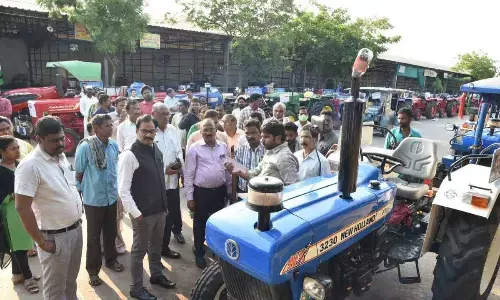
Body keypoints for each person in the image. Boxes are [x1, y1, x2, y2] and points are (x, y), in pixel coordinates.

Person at [15, 116, 84, 300]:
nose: (60, 143)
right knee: (55, 291)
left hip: (75, 231)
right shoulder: (30, 166)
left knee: (70, 282)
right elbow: (22, 208)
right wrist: (42, 242)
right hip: (54, 237)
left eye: (62, 138)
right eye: (54, 140)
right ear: (39, 139)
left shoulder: (59, 156)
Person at [118, 115, 176, 300]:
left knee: (156, 245)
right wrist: (137, 214)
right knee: (138, 251)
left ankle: (156, 275)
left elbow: (159, 176)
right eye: (144, 131)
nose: (148, 134)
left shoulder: (154, 148)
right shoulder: (129, 155)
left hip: (160, 209)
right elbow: (123, 190)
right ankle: (136, 288)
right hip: (143, 213)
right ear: (136, 131)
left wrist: (165, 205)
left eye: (151, 131)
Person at [75, 114, 124, 287]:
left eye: (111, 124)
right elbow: (78, 173)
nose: (111, 127)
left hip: (111, 197)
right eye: (107, 125)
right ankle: (93, 270)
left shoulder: (113, 145)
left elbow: (114, 169)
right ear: (96, 129)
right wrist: (80, 194)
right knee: (94, 237)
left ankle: (111, 260)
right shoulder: (86, 147)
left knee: (111, 232)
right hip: (93, 200)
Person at [185, 119, 232, 269]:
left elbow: (228, 170)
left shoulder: (223, 147)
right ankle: (199, 252)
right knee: (200, 223)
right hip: (201, 193)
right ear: (200, 132)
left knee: (218, 224)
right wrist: (190, 197)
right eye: (205, 130)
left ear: (216, 130)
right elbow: (189, 174)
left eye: (210, 129)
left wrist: (230, 191)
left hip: (219, 191)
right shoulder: (194, 148)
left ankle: (216, 252)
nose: (208, 132)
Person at [0, 136, 39, 294]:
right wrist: (11, 196)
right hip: (10, 211)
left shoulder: (19, 165)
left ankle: (18, 275)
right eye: (13, 149)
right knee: (18, 246)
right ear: (2, 152)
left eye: (18, 147)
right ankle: (28, 278)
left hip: (26, 208)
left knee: (26, 242)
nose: (18, 151)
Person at [151, 103, 185, 259]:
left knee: (171, 214)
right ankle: (155, 250)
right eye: (163, 114)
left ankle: (164, 247)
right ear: (154, 114)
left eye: (168, 114)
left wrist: (181, 169)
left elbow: (179, 151)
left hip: (173, 181)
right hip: (156, 185)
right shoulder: (150, 132)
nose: (166, 117)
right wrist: (164, 169)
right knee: (158, 218)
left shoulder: (173, 130)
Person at [227, 120, 299, 186]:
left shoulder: (284, 158)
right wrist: (237, 170)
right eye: (262, 137)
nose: (263, 140)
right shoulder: (270, 151)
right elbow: (255, 174)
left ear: (278, 138)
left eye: (266, 137)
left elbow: (293, 188)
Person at [234, 119, 265, 192]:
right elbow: (236, 173)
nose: (250, 136)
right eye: (247, 133)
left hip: (262, 190)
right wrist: (234, 194)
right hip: (243, 190)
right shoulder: (240, 150)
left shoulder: (267, 149)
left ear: (260, 132)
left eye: (254, 133)